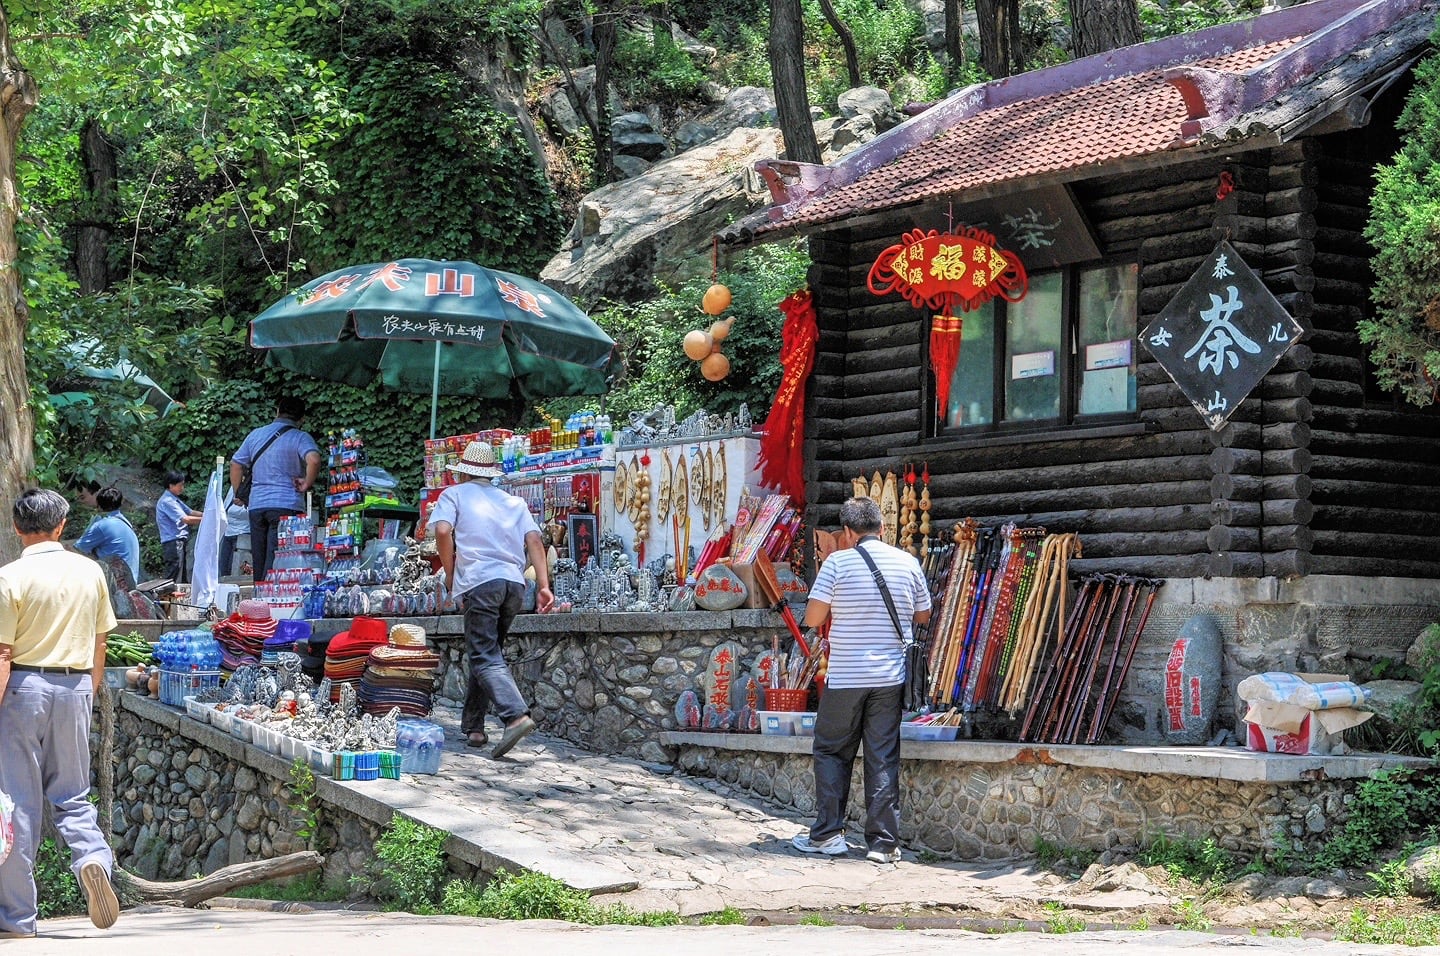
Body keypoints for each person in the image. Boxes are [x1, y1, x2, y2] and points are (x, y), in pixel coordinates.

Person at [0, 489, 121, 937]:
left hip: (22, 690)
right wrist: (85, 692)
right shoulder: (89, 572)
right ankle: (92, 859)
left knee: (18, 804)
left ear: (16, 528)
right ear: (62, 525)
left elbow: (3, 653)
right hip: (74, 686)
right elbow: (100, 640)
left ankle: (16, 920)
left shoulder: (9, 576)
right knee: (72, 794)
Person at [791, 496, 931, 864]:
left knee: (832, 751)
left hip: (846, 677)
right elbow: (923, 614)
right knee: (882, 756)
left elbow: (814, 617)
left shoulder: (837, 562)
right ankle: (883, 846)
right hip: (890, 677)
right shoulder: (907, 562)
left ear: (848, 532)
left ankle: (827, 836)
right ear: (883, 528)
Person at [430, 440, 554, 758]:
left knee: (484, 655)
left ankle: (515, 716)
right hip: (514, 585)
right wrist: (543, 585)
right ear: (491, 475)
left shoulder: (453, 494)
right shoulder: (513, 502)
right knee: (488, 653)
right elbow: (535, 541)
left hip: (480, 582)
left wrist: (450, 571)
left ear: (462, 474)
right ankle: (474, 727)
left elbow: (443, 531)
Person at [229, 395, 322, 583]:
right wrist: (306, 483)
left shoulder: (255, 435)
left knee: (259, 557)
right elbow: (314, 460)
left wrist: (239, 492)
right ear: (302, 419)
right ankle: (272, 601)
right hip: (286, 506)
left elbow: (236, 464)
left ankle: (258, 601)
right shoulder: (300, 437)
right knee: (279, 559)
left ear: (277, 411)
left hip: (256, 507)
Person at [74, 486, 142, 587]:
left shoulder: (102, 525)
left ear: (99, 505)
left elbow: (78, 548)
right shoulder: (125, 522)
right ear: (120, 503)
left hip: (115, 583)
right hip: (131, 580)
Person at [155, 470, 201, 583]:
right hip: (173, 542)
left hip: (178, 541)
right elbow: (186, 519)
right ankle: (165, 598)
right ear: (171, 485)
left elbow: (190, 512)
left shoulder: (174, 500)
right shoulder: (167, 501)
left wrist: (209, 514)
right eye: (180, 485)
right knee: (174, 575)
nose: (182, 488)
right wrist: (207, 520)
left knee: (181, 573)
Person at [217, 487, 248, 579]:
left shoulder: (250, 486)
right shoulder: (232, 489)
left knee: (234, 568)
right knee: (224, 567)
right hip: (228, 532)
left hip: (243, 533)